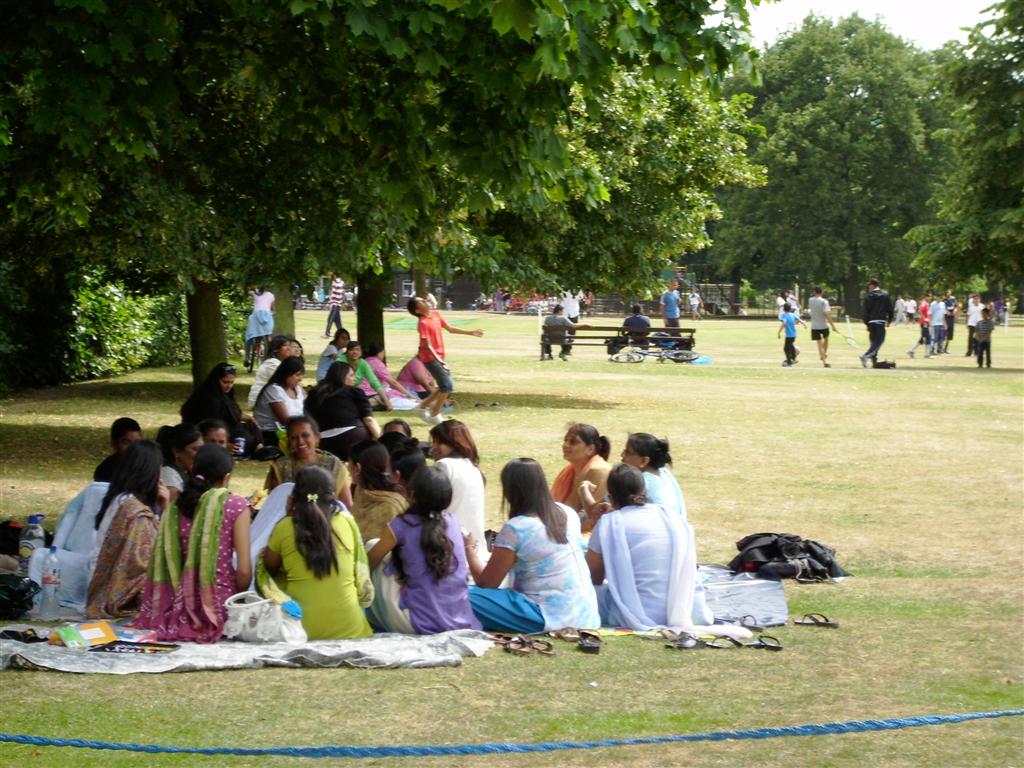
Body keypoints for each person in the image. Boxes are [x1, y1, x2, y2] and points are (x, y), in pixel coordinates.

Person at [465, 458, 599, 633]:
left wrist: (468, 550)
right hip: (586, 614)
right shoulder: (567, 513)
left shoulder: (517, 527)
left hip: (547, 615)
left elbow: (487, 582)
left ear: (510, 491)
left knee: (459, 594)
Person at [134, 445, 252, 642]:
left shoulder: (177, 507)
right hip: (219, 607)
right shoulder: (235, 505)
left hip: (178, 606)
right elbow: (244, 571)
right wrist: (237, 601)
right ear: (227, 478)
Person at [263, 465, 373, 640]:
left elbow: (268, 568)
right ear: (334, 497)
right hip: (352, 631)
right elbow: (361, 576)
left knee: (269, 569)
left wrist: (288, 516)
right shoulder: (347, 522)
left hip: (300, 631)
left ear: (292, 498)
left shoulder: (284, 527)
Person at [586, 464, 701, 631]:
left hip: (633, 612)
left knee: (581, 595)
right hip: (685, 608)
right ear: (644, 491)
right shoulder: (672, 518)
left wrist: (599, 523)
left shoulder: (609, 523)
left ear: (610, 497)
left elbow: (592, 578)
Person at [366, 467, 481, 634]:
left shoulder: (402, 524)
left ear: (412, 494)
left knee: (372, 546)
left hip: (416, 623)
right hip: (460, 620)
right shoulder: (453, 522)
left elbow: (369, 563)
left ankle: (370, 616)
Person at [87, 440, 169, 618]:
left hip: (105, 584)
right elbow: (144, 560)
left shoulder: (126, 501)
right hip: (114, 591)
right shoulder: (132, 508)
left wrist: (164, 509)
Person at [407, 296, 484, 426]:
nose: (425, 301)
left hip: (440, 356)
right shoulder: (422, 323)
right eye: (422, 301)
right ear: (418, 310)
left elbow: (450, 328)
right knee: (447, 386)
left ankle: (422, 407)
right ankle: (435, 415)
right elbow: (427, 345)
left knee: (444, 386)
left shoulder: (435, 315)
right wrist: (439, 360)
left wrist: (471, 333)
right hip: (430, 358)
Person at [265, 416, 353, 510]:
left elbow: (346, 506)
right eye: (294, 438)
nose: (300, 441)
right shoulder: (281, 467)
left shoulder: (334, 465)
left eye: (305, 435)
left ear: (317, 437)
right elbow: (274, 506)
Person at [305, 361, 382, 460]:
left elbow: (308, 418)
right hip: (353, 435)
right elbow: (369, 419)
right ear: (342, 376)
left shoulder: (315, 393)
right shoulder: (354, 391)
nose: (355, 378)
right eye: (351, 375)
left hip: (325, 441)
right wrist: (381, 440)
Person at [429, 420, 485, 553]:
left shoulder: (444, 465)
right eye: (433, 442)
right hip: (475, 547)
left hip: (450, 546)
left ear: (454, 443)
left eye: (439, 442)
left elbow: (431, 508)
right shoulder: (472, 468)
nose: (434, 447)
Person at [180, 362, 260, 457]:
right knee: (244, 437)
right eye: (225, 382)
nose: (229, 386)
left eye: (231, 382)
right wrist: (224, 444)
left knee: (253, 427)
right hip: (208, 433)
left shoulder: (225, 394)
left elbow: (233, 412)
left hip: (225, 428)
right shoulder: (208, 398)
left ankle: (259, 446)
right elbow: (209, 425)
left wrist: (249, 418)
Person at [551, 423, 612, 532]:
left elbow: (594, 518)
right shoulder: (569, 471)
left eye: (573, 442)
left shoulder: (600, 471)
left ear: (590, 449)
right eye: (566, 440)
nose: (565, 445)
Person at [349, 440, 408, 542]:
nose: (347, 468)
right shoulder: (360, 491)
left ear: (357, 468)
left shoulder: (390, 507)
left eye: (349, 464)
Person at [252, 356, 306, 447]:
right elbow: (285, 420)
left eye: (301, 375)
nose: (300, 378)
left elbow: (306, 410)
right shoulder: (274, 390)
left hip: (293, 430)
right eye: (297, 375)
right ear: (286, 374)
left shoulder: (297, 389)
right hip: (271, 433)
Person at [156, 423, 203, 502]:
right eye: (195, 449)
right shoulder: (169, 477)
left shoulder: (188, 471)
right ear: (176, 451)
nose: (200, 454)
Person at [247, 336, 294, 410]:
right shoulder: (272, 363)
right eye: (285, 345)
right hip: (259, 400)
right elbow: (286, 382)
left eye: (289, 346)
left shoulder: (281, 363)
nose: (289, 348)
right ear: (276, 349)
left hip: (271, 398)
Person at [344, 341, 392, 411]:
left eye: (357, 350)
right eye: (352, 350)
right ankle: (360, 405)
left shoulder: (363, 363)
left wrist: (387, 402)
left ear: (361, 353)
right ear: (347, 352)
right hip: (344, 392)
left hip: (359, 394)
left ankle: (359, 405)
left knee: (384, 398)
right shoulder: (340, 361)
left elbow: (375, 382)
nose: (355, 352)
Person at [93, 417, 143, 483]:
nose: (133, 448)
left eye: (137, 442)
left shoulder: (149, 464)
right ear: (114, 444)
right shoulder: (105, 471)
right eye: (126, 443)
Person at [860, 278, 894, 367]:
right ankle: (866, 356)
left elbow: (865, 312)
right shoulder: (885, 295)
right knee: (879, 341)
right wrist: (889, 320)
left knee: (874, 342)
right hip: (880, 320)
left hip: (871, 321)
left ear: (873, 285)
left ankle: (874, 362)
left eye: (869, 285)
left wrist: (867, 323)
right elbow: (890, 309)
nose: (869, 286)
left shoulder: (868, 296)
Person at [807, 287, 838, 368]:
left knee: (819, 344)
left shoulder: (810, 300)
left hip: (814, 326)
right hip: (823, 325)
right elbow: (826, 314)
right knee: (826, 340)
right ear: (822, 292)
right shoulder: (824, 301)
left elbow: (812, 310)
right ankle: (823, 354)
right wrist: (833, 326)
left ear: (814, 292)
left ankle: (824, 359)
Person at [244, 287, 275, 368]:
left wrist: (253, 289)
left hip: (255, 318)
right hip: (267, 319)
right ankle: (271, 355)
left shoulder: (255, 293)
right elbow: (272, 308)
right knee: (268, 336)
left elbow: (247, 291)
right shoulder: (271, 295)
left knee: (249, 337)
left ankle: (247, 357)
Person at [777, 303, 807, 367]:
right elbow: (799, 320)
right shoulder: (793, 314)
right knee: (790, 346)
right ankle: (793, 358)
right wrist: (804, 324)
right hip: (794, 335)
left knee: (786, 349)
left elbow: (784, 323)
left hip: (789, 336)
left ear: (784, 309)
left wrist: (779, 332)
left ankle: (789, 362)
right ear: (790, 309)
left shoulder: (784, 315)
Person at [908, 293, 931, 358]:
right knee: (927, 338)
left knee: (922, 339)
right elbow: (919, 311)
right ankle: (927, 354)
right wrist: (924, 318)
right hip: (924, 323)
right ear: (926, 297)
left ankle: (911, 351)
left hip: (926, 323)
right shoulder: (924, 303)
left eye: (930, 296)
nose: (930, 298)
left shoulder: (926, 303)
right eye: (929, 296)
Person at [324, 273, 345, 338]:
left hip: (336, 304)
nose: (331, 277)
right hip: (336, 304)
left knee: (330, 319)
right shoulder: (339, 283)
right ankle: (342, 333)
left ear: (335, 276)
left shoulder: (337, 283)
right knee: (337, 321)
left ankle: (327, 333)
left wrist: (329, 303)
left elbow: (334, 294)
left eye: (332, 276)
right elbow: (335, 294)